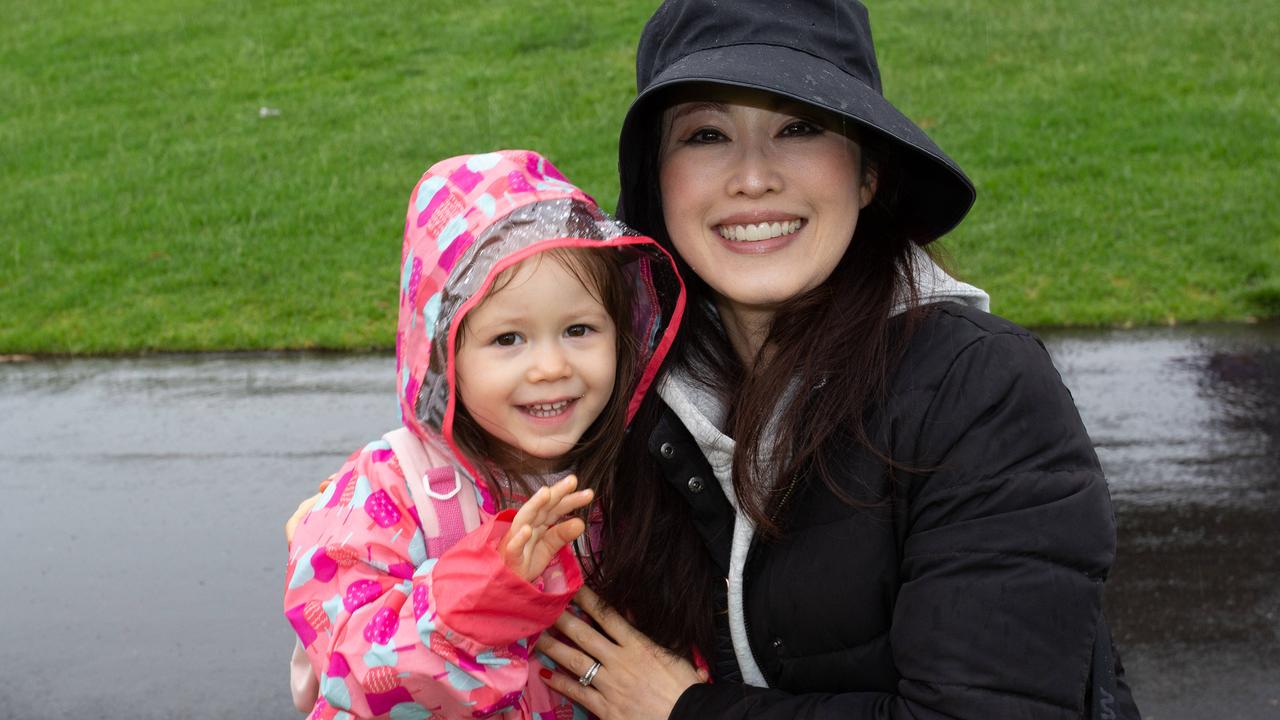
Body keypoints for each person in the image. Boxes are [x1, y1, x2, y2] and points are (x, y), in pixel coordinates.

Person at [531, 1, 1142, 718]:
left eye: (799, 127)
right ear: (658, 185)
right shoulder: (614, 391)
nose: (753, 178)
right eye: (705, 134)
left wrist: (683, 712)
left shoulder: (984, 392)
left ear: (868, 173)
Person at [284, 149, 687, 719]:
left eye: (579, 329)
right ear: (445, 355)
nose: (550, 367)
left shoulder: (635, 475)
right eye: (508, 339)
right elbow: (352, 670)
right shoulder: (389, 488)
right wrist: (488, 592)